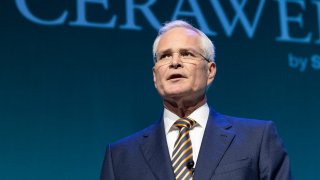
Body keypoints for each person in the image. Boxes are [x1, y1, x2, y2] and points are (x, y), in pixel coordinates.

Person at [100, 20, 292, 180]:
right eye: (165, 56)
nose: (175, 62)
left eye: (187, 54)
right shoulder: (120, 156)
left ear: (210, 71)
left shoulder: (257, 139)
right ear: (154, 75)